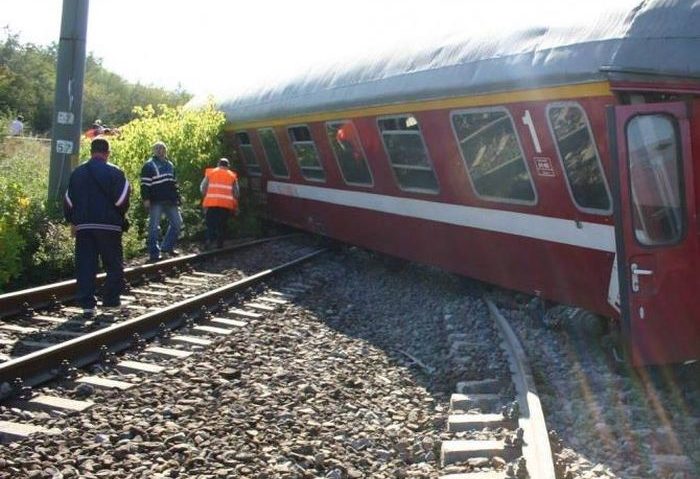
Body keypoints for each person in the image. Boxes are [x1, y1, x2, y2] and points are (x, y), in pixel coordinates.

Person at [64, 138, 130, 317]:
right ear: (107, 153)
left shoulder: (77, 173)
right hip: (109, 226)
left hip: (84, 226)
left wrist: (73, 220)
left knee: (85, 264)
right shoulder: (116, 173)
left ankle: (87, 304)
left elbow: (68, 200)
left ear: (91, 151)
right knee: (113, 264)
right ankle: (110, 301)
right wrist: (120, 215)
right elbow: (122, 199)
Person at [140, 141, 182, 262]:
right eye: (157, 148)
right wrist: (146, 199)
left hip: (170, 199)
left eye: (162, 148)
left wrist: (178, 197)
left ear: (166, 150)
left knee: (177, 223)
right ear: (154, 151)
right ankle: (154, 252)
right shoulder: (148, 165)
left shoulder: (170, 164)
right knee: (153, 227)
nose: (160, 150)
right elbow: (145, 184)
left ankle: (167, 247)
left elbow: (174, 183)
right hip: (156, 200)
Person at [200, 158, 239, 249]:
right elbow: (236, 193)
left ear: (218, 164)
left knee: (210, 224)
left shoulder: (210, 173)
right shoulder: (232, 175)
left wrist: (207, 196)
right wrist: (235, 206)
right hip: (225, 205)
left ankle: (209, 240)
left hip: (211, 203)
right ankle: (219, 244)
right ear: (228, 166)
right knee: (222, 225)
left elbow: (202, 188)